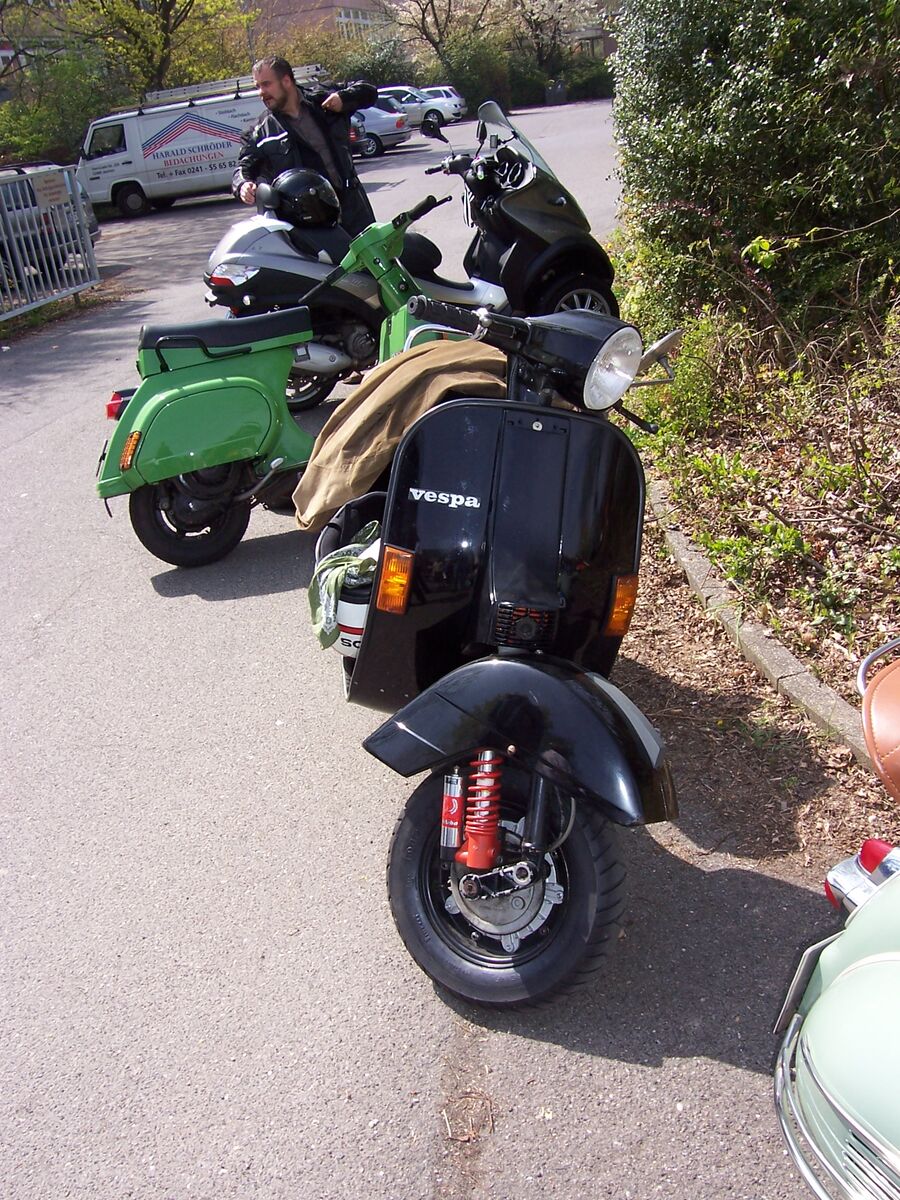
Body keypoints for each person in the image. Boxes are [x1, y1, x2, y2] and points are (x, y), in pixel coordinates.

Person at [232, 56, 377, 236]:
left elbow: (369, 91)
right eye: (258, 86)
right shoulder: (260, 132)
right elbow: (242, 168)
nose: (261, 92)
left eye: (266, 84)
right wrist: (242, 185)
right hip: (311, 226)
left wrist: (344, 98)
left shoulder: (323, 101)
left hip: (354, 210)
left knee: (376, 253)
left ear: (286, 81)